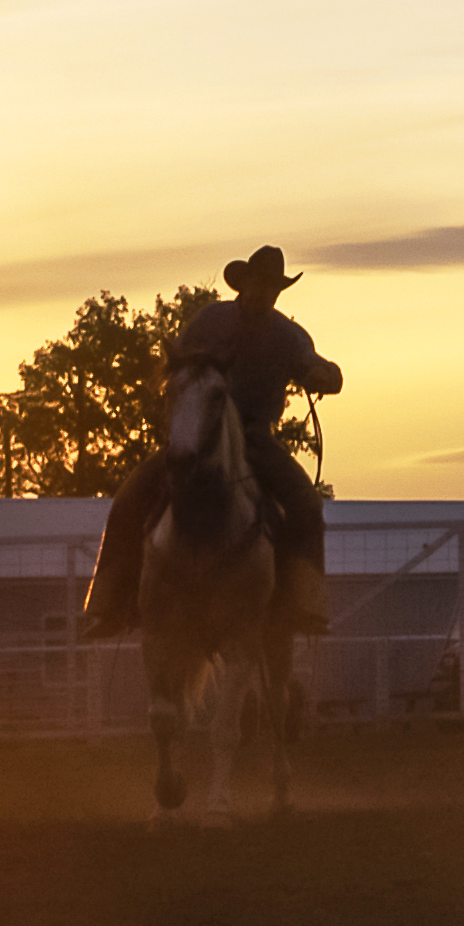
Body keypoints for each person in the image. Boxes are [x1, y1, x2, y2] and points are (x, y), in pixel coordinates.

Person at [82, 246, 342, 639]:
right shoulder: (210, 320)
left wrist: (324, 375)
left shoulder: (288, 335)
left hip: (254, 437)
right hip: (200, 434)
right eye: (262, 283)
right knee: (129, 498)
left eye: (274, 287)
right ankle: (111, 605)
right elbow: (179, 369)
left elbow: (312, 363)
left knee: (305, 503)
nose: (267, 292)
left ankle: (302, 606)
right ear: (246, 282)